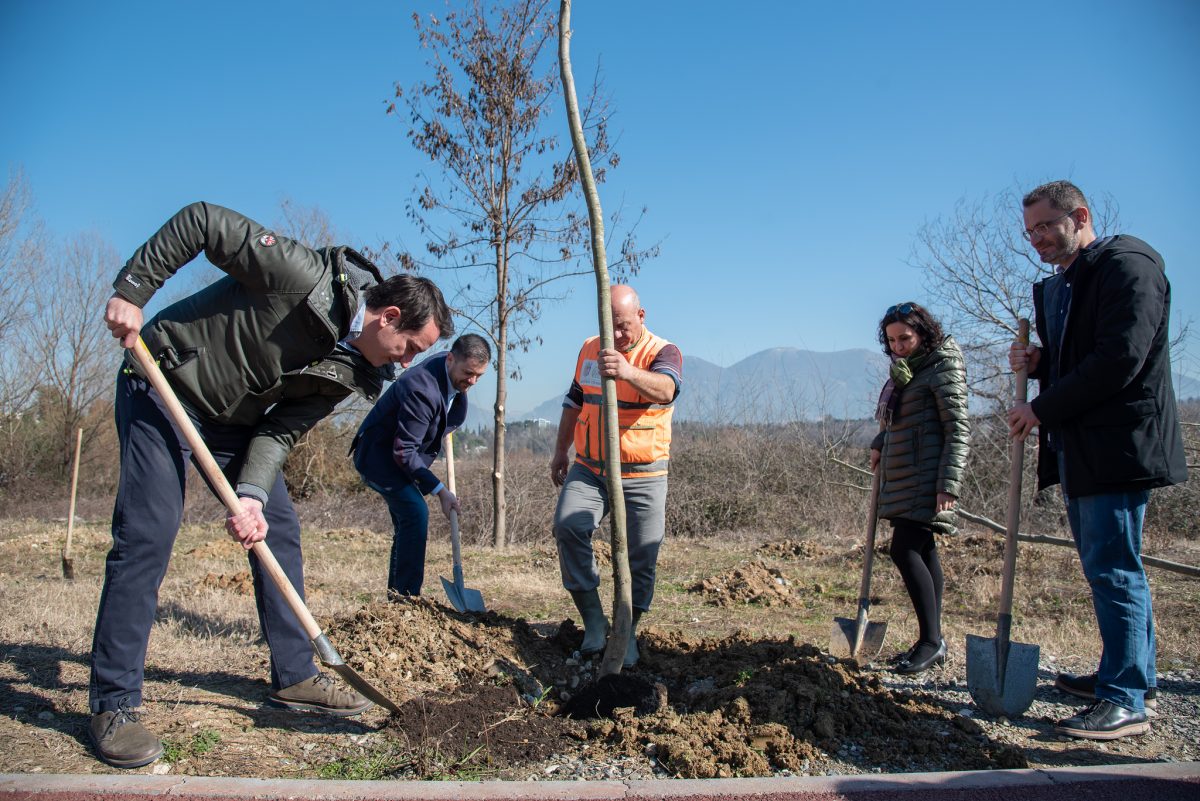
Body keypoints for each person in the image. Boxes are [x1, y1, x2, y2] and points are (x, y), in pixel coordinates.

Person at [93, 201, 453, 769]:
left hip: (234, 424)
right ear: (386, 316)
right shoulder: (301, 276)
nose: (407, 364)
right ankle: (113, 703)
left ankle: (295, 675)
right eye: (410, 347)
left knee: (278, 528)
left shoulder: (357, 372)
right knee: (148, 535)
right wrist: (133, 290)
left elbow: (281, 429)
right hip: (162, 384)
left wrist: (253, 495)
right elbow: (204, 222)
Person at [1008, 180, 1187, 740]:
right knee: (1107, 567)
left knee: (1114, 568)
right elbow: (1080, 355)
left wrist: (1042, 408)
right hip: (1085, 444)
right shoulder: (1073, 279)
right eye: (1029, 231)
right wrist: (1040, 361)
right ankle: (1127, 675)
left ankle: (1126, 698)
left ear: (1079, 215)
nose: (1036, 239)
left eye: (1045, 226)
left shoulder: (1128, 267)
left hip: (1118, 445)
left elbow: (1119, 359)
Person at [549, 285, 682, 668]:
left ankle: (627, 630)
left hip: (643, 473)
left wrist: (626, 370)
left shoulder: (663, 351)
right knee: (568, 527)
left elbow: (667, 389)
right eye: (611, 327)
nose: (618, 335)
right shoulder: (591, 347)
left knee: (643, 555)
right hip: (590, 467)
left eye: (624, 326)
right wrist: (561, 450)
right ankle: (594, 622)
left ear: (641, 316)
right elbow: (574, 400)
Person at [869, 302, 969, 674]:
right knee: (923, 550)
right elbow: (902, 421)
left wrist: (948, 485)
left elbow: (957, 428)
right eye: (892, 340)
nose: (898, 346)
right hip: (904, 473)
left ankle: (931, 641)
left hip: (927, 476)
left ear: (924, 333)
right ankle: (932, 639)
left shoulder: (943, 366)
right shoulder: (907, 371)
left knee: (904, 549)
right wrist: (881, 441)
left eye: (905, 338)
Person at [352, 333, 491, 597]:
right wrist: (440, 491)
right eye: (468, 373)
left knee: (408, 523)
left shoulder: (449, 372)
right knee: (416, 513)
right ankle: (407, 600)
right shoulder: (421, 388)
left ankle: (398, 597)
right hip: (379, 459)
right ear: (450, 359)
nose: (472, 381)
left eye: (479, 376)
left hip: (400, 458)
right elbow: (404, 451)